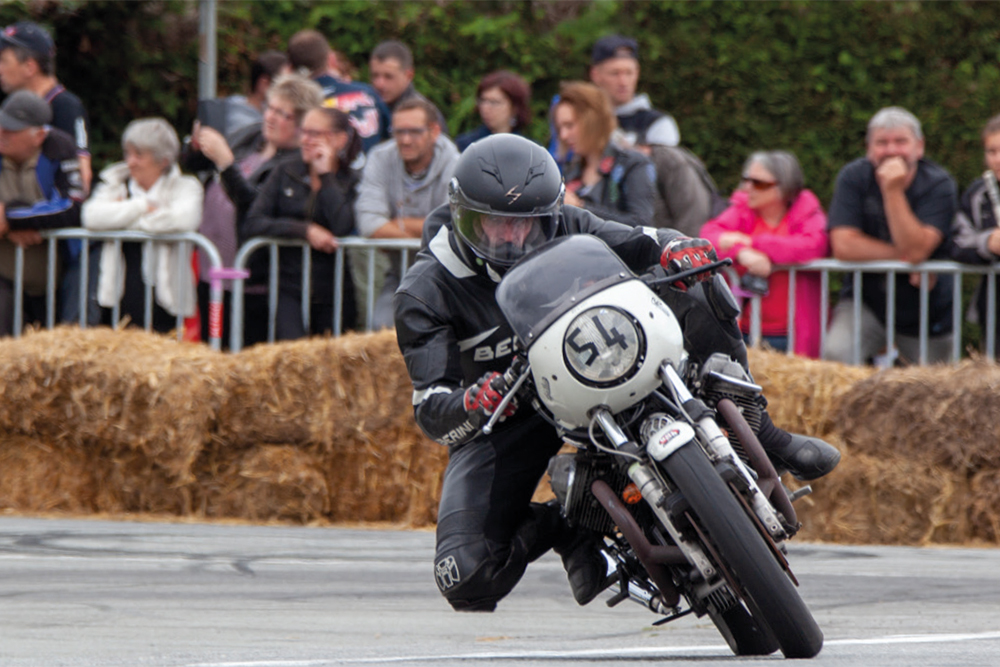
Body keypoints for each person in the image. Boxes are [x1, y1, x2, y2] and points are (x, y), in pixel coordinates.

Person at [392, 134, 841, 614]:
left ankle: (759, 430)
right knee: (466, 575)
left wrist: (678, 247)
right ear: (461, 217)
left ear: (552, 213)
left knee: (698, 278)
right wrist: (471, 401)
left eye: (529, 224)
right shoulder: (425, 290)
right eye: (493, 224)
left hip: (599, 360)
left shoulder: (567, 223)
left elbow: (640, 240)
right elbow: (430, 406)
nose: (512, 238)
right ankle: (568, 523)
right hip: (512, 407)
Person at [190, 73, 323, 347]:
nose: (270, 117)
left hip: (253, 280)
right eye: (270, 108)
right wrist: (196, 148)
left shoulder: (297, 162)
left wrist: (226, 162)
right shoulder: (250, 136)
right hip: (212, 269)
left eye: (282, 113)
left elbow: (256, 208)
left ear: (301, 125)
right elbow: (194, 166)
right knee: (210, 355)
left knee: (244, 360)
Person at [823, 107, 958, 365]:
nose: (891, 150)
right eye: (882, 143)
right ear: (869, 148)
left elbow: (919, 249)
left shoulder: (940, 184)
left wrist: (892, 191)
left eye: (900, 141)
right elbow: (843, 245)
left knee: (931, 389)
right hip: (866, 302)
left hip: (927, 311)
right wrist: (906, 255)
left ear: (919, 147)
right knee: (836, 355)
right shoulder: (853, 177)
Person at [0, 21, 95, 325]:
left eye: (4, 59)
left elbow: (82, 179)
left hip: (54, 261)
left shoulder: (66, 106)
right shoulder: (8, 109)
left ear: (29, 66)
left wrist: (17, 218)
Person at [243, 106, 361, 340]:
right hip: (289, 286)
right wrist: (303, 230)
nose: (305, 140)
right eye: (304, 132)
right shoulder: (285, 171)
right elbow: (254, 222)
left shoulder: (352, 179)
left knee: (332, 364)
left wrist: (326, 177)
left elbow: (343, 226)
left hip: (334, 289)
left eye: (315, 134)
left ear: (339, 140)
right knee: (294, 357)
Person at [701, 151, 829, 358]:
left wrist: (753, 242)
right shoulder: (742, 209)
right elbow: (709, 236)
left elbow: (813, 245)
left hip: (791, 332)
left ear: (784, 187)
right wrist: (741, 253)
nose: (748, 188)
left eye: (759, 183)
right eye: (746, 180)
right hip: (744, 328)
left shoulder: (807, 211)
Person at [82, 118, 203, 334]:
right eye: (128, 153)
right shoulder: (114, 182)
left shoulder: (186, 186)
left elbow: (184, 220)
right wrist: (142, 206)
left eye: (139, 155)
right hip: (117, 302)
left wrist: (120, 219)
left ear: (163, 160)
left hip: (166, 305)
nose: (130, 162)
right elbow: (91, 217)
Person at [355, 96, 458, 329]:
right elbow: (370, 224)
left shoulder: (455, 163)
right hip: (401, 272)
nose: (405, 139)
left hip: (446, 275)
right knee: (380, 328)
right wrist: (425, 233)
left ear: (434, 131)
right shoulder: (380, 157)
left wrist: (396, 225)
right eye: (398, 132)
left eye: (414, 131)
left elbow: (451, 229)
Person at [0, 90, 82, 336]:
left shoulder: (59, 146)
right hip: (5, 278)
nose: (2, 133)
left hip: (54, 284)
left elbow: (72, 208)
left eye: (12, 129)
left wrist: (11, 218)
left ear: (39, 135)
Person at [553, 81, 656, 228]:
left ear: (593, 121)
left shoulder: (633, 163)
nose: (563, 135)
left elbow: (641, 225)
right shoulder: (571, 169)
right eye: (560, 128)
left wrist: (581, 208)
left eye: (570, 125)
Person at [287, 29, 390, 155]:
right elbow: (391, 135)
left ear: (290, 69)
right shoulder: (367, 92)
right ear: (332, 59)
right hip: (372, 171)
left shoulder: (299, 106)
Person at [950, 113, 1000, 354]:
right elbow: (957, 242)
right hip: (993, 305)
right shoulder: (978, 193)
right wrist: (989, 242)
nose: (998, 159)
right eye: (992, 151)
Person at [589, 34, 679, 150]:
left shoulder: (657, 123)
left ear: (637, 73)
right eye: (614, 73)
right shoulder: (581, 119)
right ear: (595, 75)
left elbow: (666, 164)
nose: (623, 82)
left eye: (629, 73)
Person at [368, 39, 448, 133]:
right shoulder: (364, 107)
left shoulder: (424, 115)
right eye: (375, 75)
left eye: (389, 77)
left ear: (409, 75)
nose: (380, 84)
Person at [222, 49, 290, 144]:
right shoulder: (246, 125)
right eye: (284, 85)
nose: (289, 91)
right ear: (264, 84)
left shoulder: (232, 105)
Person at [455, 70, 531, 152]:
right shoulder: (466, 144)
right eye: (483, 101)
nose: (485, 108)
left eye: (494, 102)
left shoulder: (529, 149)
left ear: (514, 107)